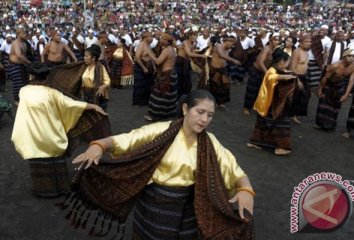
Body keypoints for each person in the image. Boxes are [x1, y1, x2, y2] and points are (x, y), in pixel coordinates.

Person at [69, 89, 255, 239]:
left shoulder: (211, 142)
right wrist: (99, 146)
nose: (205, 119)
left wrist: (245, 190)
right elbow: (126, 140)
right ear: (185, 109)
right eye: (200, 112)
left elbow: (234, 170)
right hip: (154, 205)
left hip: (189, 207)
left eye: (210, 115)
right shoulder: (161, 130)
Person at [11, 61, 107, 198]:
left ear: (31, 76)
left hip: (34, 139)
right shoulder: (53, 93)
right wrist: (93, 107)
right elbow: (72, 105)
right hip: (52, 137)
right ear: (46, 77)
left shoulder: (23, 91)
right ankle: (61, 188)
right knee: (56, 162)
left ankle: (43, 190)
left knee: (39, 164)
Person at [247, 48, 298, 155]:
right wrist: (285, 76)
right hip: (268, 103)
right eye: (287, 63)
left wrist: (287, 73)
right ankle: (283, 147)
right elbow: (272, 77)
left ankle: (255, 142)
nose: (287, 66)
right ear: (281, 62)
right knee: (279, 123)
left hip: (269, 102)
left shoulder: (277, 69)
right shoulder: (271, 70)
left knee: (262, 123)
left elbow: (282, 73)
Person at [315, 49, 354, 131]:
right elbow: (325, 78)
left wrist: (346, 94)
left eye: (353, 56)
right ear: (344, 57)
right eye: (349, 56)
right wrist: (320, 89)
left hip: (339, 86)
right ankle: (319, 123)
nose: (351, 58)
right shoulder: (335, 65)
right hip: (328, 84)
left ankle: (330, 125)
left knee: (336, 106)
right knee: (323, 104)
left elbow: (351, 81)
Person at [243, 34, 281, 115]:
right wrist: (267, 73)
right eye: (275, 40)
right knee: (251, 90)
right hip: (256, 71)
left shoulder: (274, 50)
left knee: (260, 90)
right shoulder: (267, 49)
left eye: (278, 40)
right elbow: (260, 62)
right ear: (271, 41)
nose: (277, 42)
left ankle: (255, 106)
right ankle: (246, 108)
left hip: (262, 72)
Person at [144, 33, 178, 121]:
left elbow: (158, 62)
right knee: (167, 96)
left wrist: (150, 54)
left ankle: (155, 116)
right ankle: (166, 114)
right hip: (171, 74)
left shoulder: (167, 50)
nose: (160, 40)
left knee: (159, 95)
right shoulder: (171, 49)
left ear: (166, 41)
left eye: (162, 39)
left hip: (167, 75)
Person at [209, 35, 240, 110]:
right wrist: (234, 60)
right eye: (232, 44)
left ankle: (220, 102)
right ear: (228, 41)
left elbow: (225, 59)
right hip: (214, 70)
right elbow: (222, 55)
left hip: (223, 70)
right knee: (214, 86)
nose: (233, 46)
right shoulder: (218, 46)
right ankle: (213, 102)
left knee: (224, 86)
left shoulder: (228, 49)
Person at [289, 34, 311, 124]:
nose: (309, 43)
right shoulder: (297, 52)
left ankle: (294, 114)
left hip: (303, 76)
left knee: (305, 95)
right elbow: (292, 67)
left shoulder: (306, 51)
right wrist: (297, 80)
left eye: (310, 41)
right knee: (294, 97)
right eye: (307, 41)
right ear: (301, 42)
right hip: (296, 76)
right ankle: (291, 115)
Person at [82, 44, 111, 110]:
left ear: (93, 58)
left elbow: (108, 80)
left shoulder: (100, 67)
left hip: (98, 96)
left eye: (86, 56)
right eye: (84, 56)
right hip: (87, 95)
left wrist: (103, 87)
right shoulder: (83, 67)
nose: (84, 58)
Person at [9, 28, 31, 104]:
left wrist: (27, 63)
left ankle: (23, 97)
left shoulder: (24, 43)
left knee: (25, 82)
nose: (26, 35)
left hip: (22, 65)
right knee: (18, 83)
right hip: (14, 65)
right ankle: (16, 100)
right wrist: (29, 62)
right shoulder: (15, 43)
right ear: (19, 34)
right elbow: (19, 55)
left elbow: (24, 55)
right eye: (24, 33)